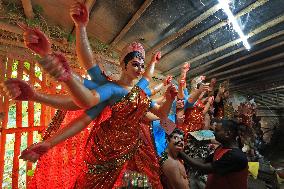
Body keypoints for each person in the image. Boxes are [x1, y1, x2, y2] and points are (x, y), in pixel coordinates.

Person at [18, 20, 178, 189]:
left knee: (138, 183)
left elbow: (160, 113)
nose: (139, 69)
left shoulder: (141, 92)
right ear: (123, 65)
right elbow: (84, 101)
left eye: (141, 66)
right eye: (135, 64)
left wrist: (169, 98)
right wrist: (79, 27)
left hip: (132, 149)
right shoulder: (109, 86)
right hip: (105, 151)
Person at [179, 119, 248, 189]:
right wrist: (183, 155)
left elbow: (204, 168)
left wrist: (180, 153)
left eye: (217, 131)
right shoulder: (221, 148)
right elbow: (203, 161)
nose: (214, 133)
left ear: (227, 134)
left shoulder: (235, 156)